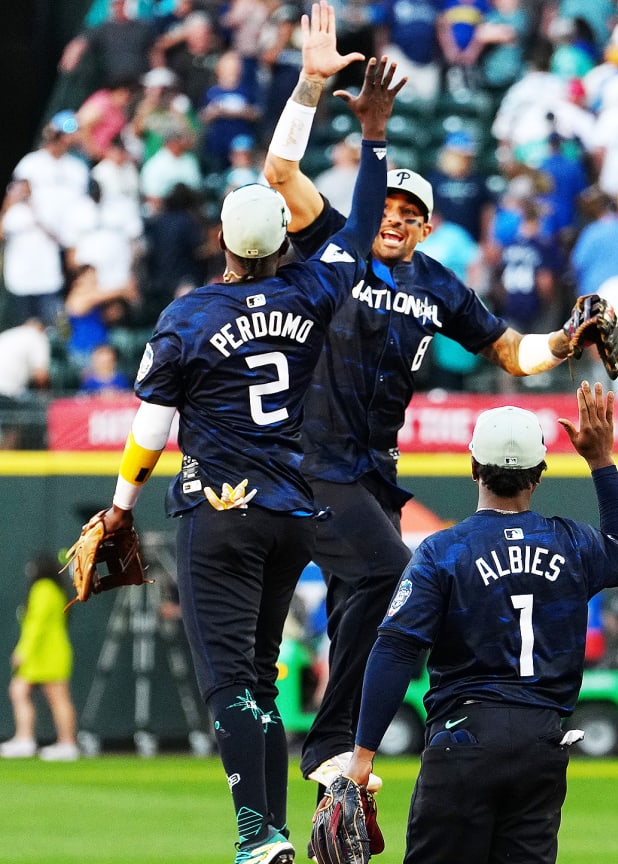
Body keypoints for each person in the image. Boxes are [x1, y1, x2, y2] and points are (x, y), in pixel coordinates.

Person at [261, 6, 590, 792]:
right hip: (312, 460)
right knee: (386, 574)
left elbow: (514, 355)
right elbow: (279, 177)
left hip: (371, 470)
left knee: (360, 607)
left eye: (412, 215)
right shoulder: (335, 245)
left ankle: (328, 756)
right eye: (390, 209)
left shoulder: (438, 282)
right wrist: (309, 87)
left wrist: (566, 342)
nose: (397, 222)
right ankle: (328, 743)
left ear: (429, 224)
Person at [93, 27, 401, 863]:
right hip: (297, 510)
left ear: (221, 242)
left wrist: (119, 509)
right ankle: (298, 797)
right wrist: (371, 139)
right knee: (264, 676)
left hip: (220, 510)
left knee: (233, 681)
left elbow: (151, 430)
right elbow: (364, 225)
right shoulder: (315, 285)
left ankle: (256, 834)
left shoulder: (188, 316)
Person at [340, 383, 618, 863]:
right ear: (539, 475)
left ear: (473, 467)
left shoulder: (444, 551)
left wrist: (362, 755)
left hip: (464, 736)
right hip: (541, 741)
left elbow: (396, 650)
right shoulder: (571, 543)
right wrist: (601, 462)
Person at [2, 553, 79, 761]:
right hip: (39, 655)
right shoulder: (53, 590)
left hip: (48, 653)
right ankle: (25, 739)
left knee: (57, 697)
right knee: (18, 691)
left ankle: (67, 743)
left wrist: (22, 651)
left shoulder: (44, 589)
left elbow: (37, 625)